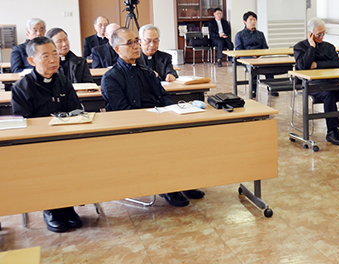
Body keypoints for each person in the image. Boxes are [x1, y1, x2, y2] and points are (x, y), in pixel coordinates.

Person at [101, 27, 205, 207]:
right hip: (133, 128)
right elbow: (124, 111)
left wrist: (172, 112)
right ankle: (168, 186)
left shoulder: (147, 71)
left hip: (159, 119)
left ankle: (185, 181)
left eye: (136, 41)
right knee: (160, 141)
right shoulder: (111, 78)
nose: (136, 46)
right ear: (117, 49)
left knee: (187, 133)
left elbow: (164, 96)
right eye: (130, 43)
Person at [11, 36, 83, 233]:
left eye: (54, 54)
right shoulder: (22, 87)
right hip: (38, 145)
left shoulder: (63, 81)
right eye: (46, 56)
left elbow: (77, 110)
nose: (53, 59)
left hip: (65, 139)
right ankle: (51, 209)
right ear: (32, 61)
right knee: (47, 162)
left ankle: (68, 206)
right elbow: (23, 123)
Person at [294, 18, 339, 146]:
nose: (321, 37)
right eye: (318, 34)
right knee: (328, 94)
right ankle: (332, 131)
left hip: (331, 81)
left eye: (323, 33)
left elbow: (336, 64)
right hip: (313, 85)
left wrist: (317, 65)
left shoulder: (329, 47)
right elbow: (303, 66)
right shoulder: (300, 47)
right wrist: (312, 47)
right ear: (310, 33)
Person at [234, 11, 274, 97]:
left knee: (270, 66)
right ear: (245, 21)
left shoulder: (260, 34)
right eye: (251, 20)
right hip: (246, 58)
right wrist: (251, 55)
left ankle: (272, 88)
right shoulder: (239, 35)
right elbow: (239, 50)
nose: (253, 22)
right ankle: (253, 90)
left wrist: (259, 55)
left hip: (259, 57)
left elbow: (265, 48)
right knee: (254, 67)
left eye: (254, 19)